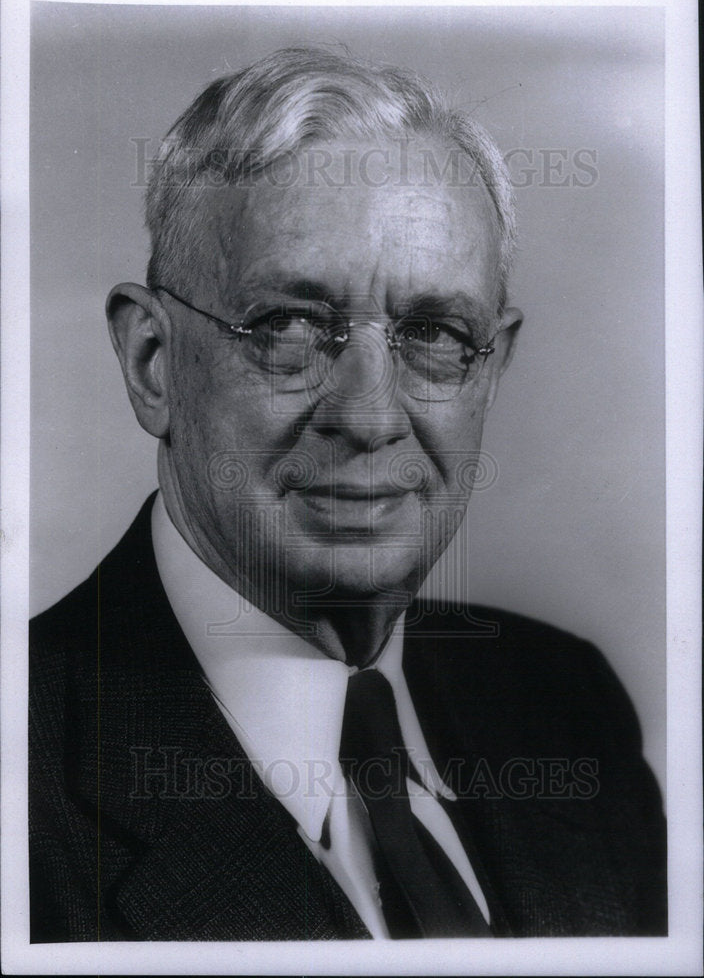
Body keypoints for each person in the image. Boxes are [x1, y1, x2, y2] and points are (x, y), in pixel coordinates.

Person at [29, 46, 666, 942]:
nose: (368, 416)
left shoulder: (566, 706)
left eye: (435, 332)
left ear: (495, 368)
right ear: (153, 363)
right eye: (288, 325)